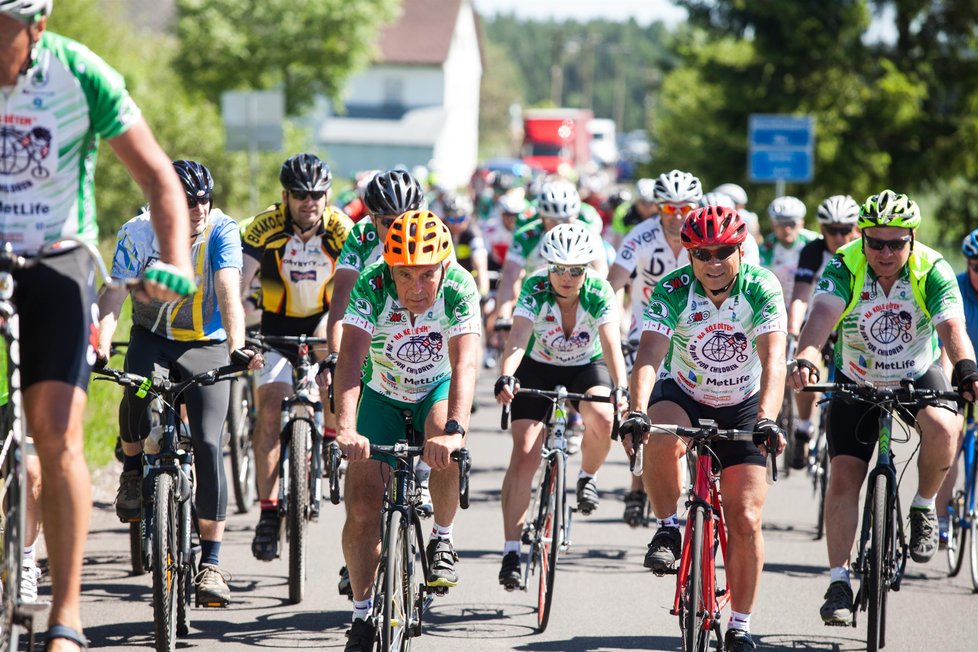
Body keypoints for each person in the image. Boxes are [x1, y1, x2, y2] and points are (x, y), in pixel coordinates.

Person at [0, 2, 197, 648]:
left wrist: (174, 263)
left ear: (38, 28)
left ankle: (66, 615)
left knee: (56, 436)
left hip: (58, 257)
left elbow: (158, 177)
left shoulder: (81, 75)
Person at [787, 190, 978, 626]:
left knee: (945, 428)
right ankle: (838, 581)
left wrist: (966, 368)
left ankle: (925, 505)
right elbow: (820, 318)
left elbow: (952, 325)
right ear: (863, 238)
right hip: (857, 374)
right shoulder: (844, 263)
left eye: (896, 243)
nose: (885, 252)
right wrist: (806, 358)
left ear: (911, 238)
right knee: (845, 476)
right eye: (876, 242)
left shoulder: (931, 267)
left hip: (917, 369)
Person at [621, 206, 787, 651]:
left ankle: (740, 625)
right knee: (658, 434)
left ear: (740, 249)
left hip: (745, 402)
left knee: (746, 517)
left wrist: (768, 418)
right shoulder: (673, 289)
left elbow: (774, 361)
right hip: (685, 392)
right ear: (689, 256)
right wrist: (636, 409)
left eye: (723, 252)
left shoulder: (762, 287)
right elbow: (649, 357)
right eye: (702, 254)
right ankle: (669, 526)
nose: (713, 263)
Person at [98, 160, 262, 607]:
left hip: (206, 342)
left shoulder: (222, 231)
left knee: (209, 443)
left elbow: (230, 286)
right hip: (151, 337)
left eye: (204, 199)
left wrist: (236, 346)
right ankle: (132, 473)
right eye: (189, 201)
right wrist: (100, 339)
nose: (199, 209)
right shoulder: (138, 232)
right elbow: (115, 290)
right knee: (135, 390)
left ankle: (210, 562)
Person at [334, 211, 480, 652]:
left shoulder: (458, 286)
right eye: (404, 275)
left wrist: (455, 431)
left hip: (434, 389)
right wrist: (345, 427)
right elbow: (350, 360)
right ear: (389, 268)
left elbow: (465, 363)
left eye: (426, 275)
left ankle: (442, 539)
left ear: (443, 267)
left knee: (443, 443)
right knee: (361, 508)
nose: (416, 288)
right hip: (381, 393)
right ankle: (361, 617)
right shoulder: (371, 285)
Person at [494, 222, 628, 588]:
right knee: (524, 452)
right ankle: (510, 551)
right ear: (547, 266)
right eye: (558, 269)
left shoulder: (599, 291)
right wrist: (507, 375)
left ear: (587, 268)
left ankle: (587, 476)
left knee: (602, 415)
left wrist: (623, 388)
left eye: (576, 270)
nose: (566, 278)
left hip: (587, 364)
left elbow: (612, 345)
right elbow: (518, 338)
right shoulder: (535, 288)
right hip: (538, 366)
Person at [240, 153, 353, 562]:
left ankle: (327, 436)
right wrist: (236, 332)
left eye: (318, 194)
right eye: (301, 194)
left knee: (333, 372)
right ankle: (268, 514)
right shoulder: (264, 226)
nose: (310, 201)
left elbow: (358, 288)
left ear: (328, 196)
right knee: (269, 409)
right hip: (275, 325)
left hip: (325, 320)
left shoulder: (342, 229)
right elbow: (238, 283)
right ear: (285, 196)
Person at [785, 194, 861, 469]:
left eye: (844, 229)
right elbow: (801, 296)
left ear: (856, 228)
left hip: (853, 329)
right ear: (821, 229)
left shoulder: (865, 251)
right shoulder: (813, 251)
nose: (838, 236)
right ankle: (805, 426)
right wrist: (794, 332)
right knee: (804, 370)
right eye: (831, 229)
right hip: (819, 326)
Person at [936, 228, 978, 545]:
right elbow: (945, 341)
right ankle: (941, 516)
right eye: (976, 267)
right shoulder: (957, 289)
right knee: (952, 434)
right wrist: (945, 379)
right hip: (960, 370)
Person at [759, 196, 818, 303]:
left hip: (810, 306)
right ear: (773, 225)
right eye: (781, 223)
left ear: (801, 223)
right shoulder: (766, 248)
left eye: (792, 223)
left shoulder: (814, 242)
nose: (787, 229)